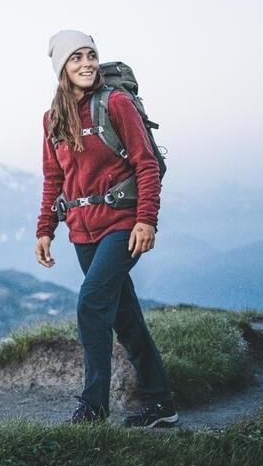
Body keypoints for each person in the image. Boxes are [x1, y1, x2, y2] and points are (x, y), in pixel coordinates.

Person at [34, 30, 177, 428]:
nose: (87, 63)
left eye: (91, 55)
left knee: (92, 302)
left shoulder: (115, 104)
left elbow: (146, 164)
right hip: (82, 231)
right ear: (61, 66)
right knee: (124, 316)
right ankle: (160, 402)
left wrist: (147, 219)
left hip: (123, 224)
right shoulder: (53, 119)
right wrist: (45, 228)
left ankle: (93, 408)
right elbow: (53, 178)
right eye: (77, 57)